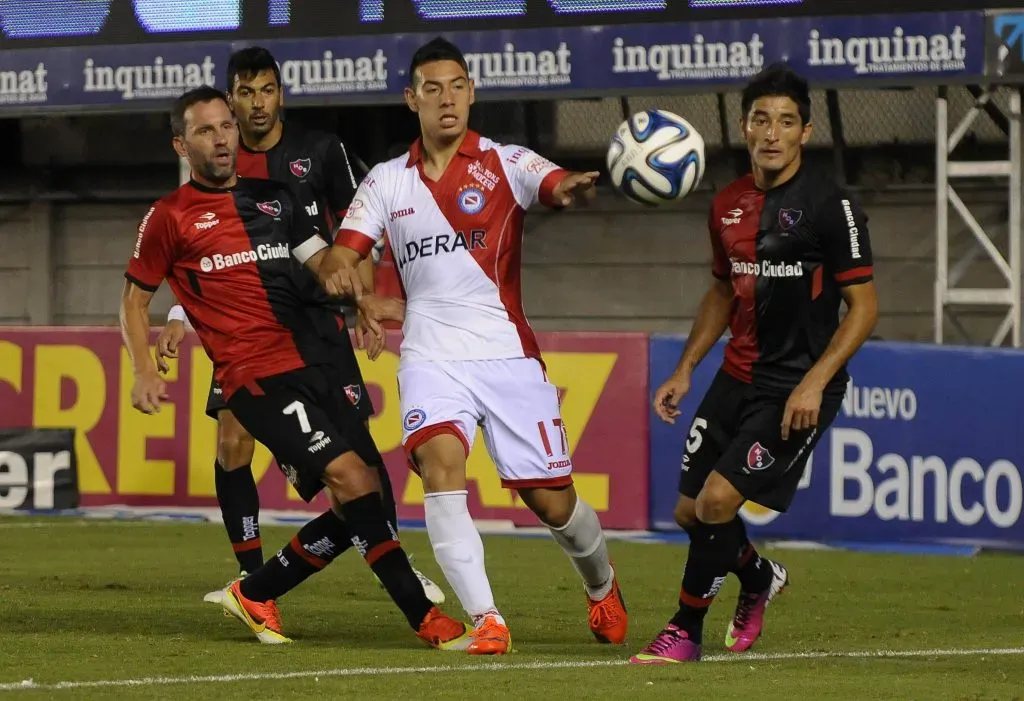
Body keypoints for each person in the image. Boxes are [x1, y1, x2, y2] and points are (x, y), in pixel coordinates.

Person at [313, 37, 630, 655]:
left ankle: (601, 585)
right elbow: (341, 255)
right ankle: (488, 620)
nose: (446, 98)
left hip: (506, 354)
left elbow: (558, 184)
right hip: (431, 354)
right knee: (439, 466)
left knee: (552, 499)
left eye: (456, 85)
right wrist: (347, 286)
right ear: (412, 99)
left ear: (472, 91)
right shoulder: (385, 181)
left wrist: (576, 188)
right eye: (431, 88)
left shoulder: (506, 162)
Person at [120, 86, 468, 650]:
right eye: (205, 131)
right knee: (352, 479)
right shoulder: (168, 218)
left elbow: (325, 260)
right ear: (182, 145)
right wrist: (142, 370)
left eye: (226, 127)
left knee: (368, 492)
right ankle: (423, 618)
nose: (222, 138)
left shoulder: (274, 199)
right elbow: (134, 300)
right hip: (254, 376)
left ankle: (257, 590)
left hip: (313, 357)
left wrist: (362, 296)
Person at [630, 63, 879, 664]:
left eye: (786, 122)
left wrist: (815, 383)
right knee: (689, 512)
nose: (772, 133)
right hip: (735, 376)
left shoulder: (830, 204)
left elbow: (864, 308)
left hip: (795, 389)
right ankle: (759, 576)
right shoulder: (727, 205)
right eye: (762, 120)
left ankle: (684, 632)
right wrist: (686, 368)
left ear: (806, 132)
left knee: (717, 503)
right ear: (744, 127)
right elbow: (722, 290)